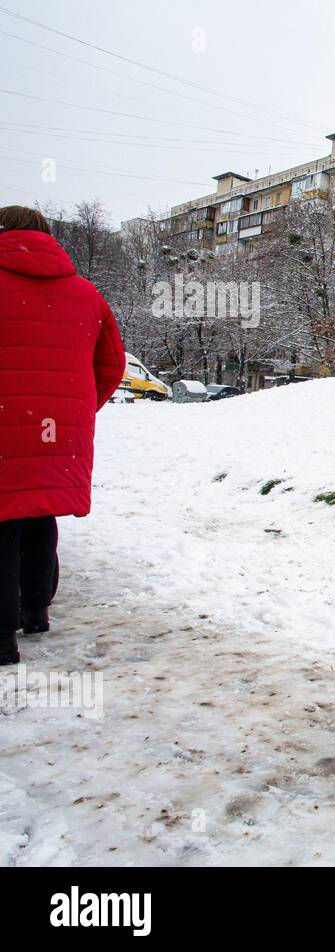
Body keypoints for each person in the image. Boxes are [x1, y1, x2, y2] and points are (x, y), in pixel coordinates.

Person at [0, 206, 125, 666]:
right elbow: (112, 364)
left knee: (3, 524)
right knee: (38, 513)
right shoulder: (86, 294)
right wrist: (73, 410)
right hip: (55, 430)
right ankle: (35, 612)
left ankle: (1, 638)